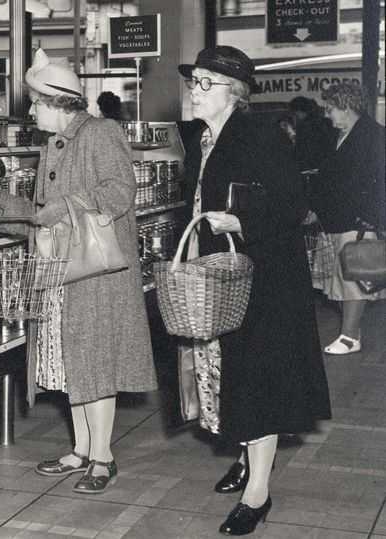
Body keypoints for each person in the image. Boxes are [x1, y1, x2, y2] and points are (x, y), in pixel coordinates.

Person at [0, 49, 157, 495]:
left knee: (94, 362)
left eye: (35, 103)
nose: (31, 111)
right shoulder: (53, 144)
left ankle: (103, 457)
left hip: (96, 273)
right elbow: (42, 216)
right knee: (70, 362)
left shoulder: (100, 132)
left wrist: (66, 207)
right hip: (63, 270)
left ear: (57, 102)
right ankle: (81, 449)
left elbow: (120, 191)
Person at [177, 46, 331, 535]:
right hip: (225, 278)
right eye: (194, 81)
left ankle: (257, 494)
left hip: (266, 280)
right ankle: (247, 460)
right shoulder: (203, 138)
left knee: (258, 381)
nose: (194, 90)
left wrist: (239, 221)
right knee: (234, 376)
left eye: (206, 83)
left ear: (236, 93)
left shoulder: (259, 134)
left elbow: (293, 204)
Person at [310, 82, 386, 355]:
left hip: (357, 221)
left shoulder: (374, 136)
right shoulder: (344, 134)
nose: (327, 115)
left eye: (330, 109)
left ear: (346, 106)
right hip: (339, 218)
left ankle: (350, 336)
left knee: (353, 278)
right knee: (343, 279)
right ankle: (352, 332)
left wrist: (371, 219)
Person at [288, 96, 335, 172]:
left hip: (310, 167)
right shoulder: (323, 121)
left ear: (298, 112)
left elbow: (300, 152)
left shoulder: (303, 126)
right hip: (325, 165)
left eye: (294, 114)